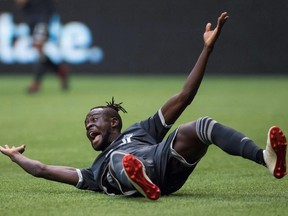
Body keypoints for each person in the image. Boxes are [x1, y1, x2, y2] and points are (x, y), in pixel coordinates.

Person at [0, 12, 287, 200]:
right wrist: (16, 157)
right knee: (117, 160)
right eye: (86, 123)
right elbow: (42, 169)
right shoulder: (93, 171)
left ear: (114, 122)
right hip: (132, 176)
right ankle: (137, 179)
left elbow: (184, 96)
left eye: (93, 119)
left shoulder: (143, 131)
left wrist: (207, 49)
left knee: (202, 126)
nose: (88, 125)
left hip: (162, 164)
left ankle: (266, 158)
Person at [14, 0, 69, 93]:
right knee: (40, 51)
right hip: (31, 20)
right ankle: (59, 69)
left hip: (43, 18)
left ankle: (36, 82)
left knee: (39, 47)